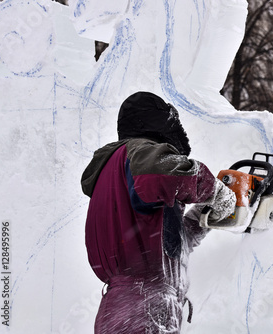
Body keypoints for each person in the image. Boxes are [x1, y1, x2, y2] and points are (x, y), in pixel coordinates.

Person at [81, 91, 236, 333]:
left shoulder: (120, 176)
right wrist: (215, 190)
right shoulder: (139, 152)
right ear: (159, 123)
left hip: (126, 308)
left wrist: (201, 219)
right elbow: (167, 174)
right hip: (143, 308)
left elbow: (165, 244)